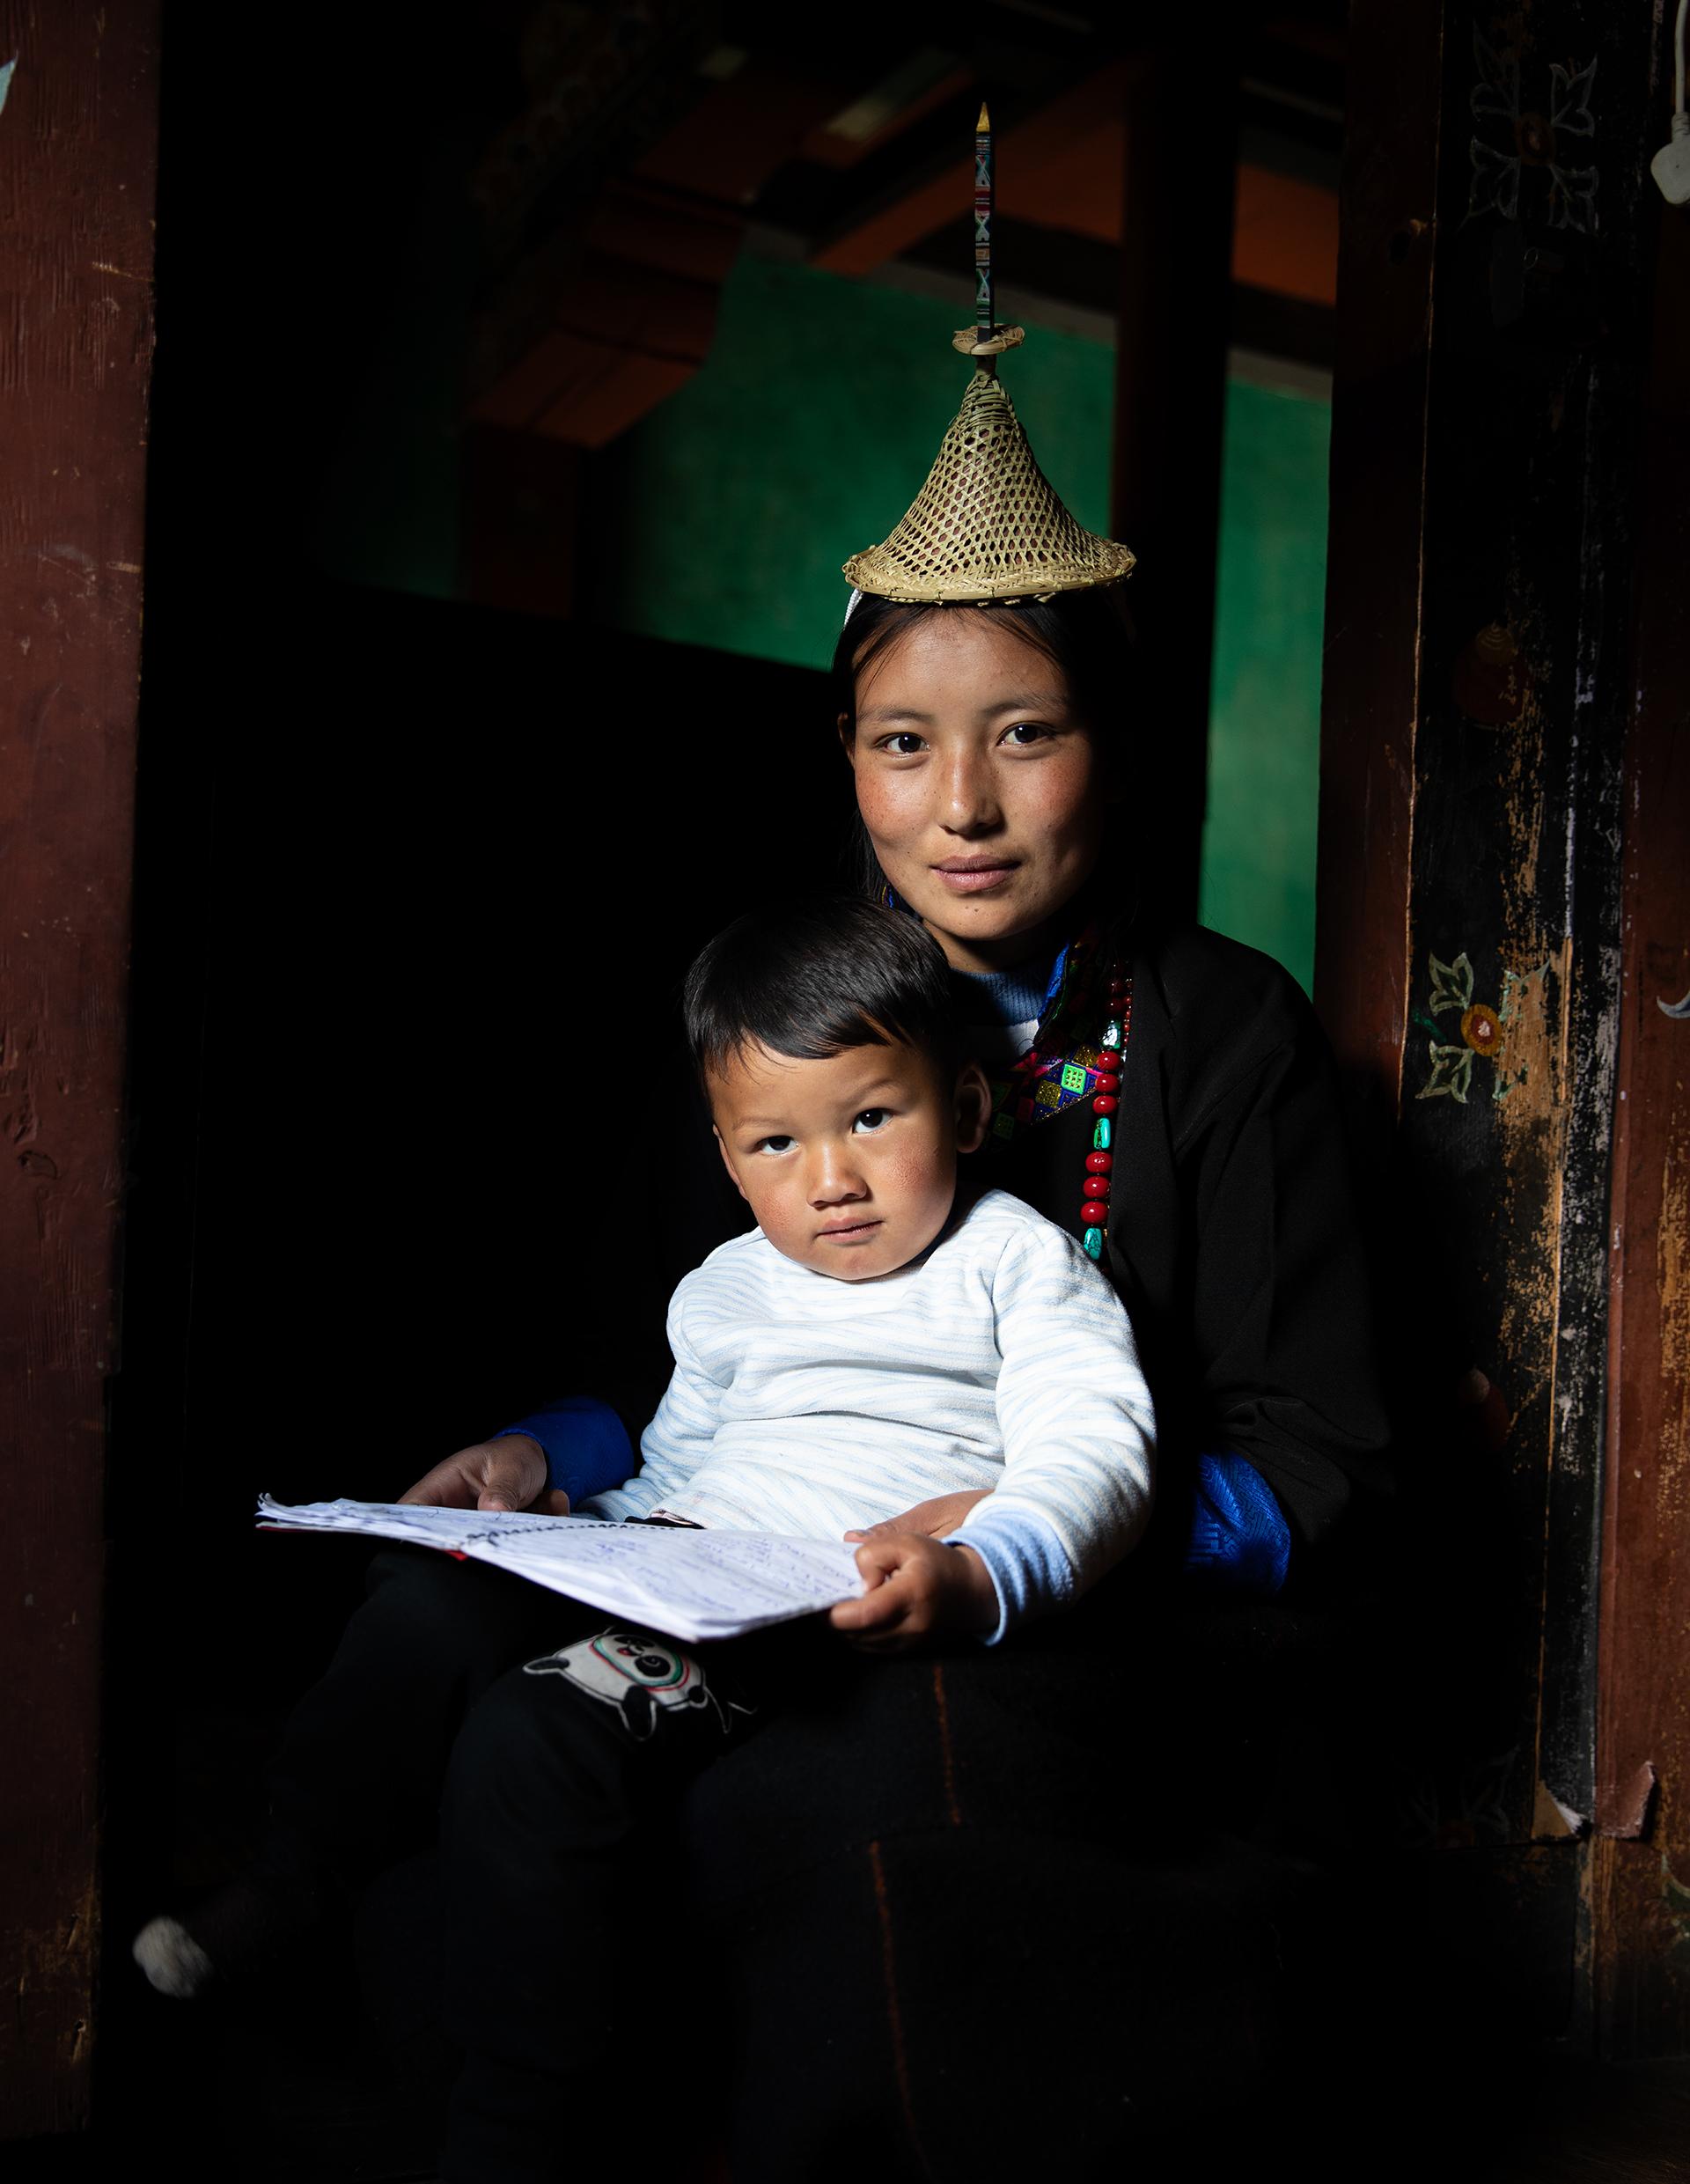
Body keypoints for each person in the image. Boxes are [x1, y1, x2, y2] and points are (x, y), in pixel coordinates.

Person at [417, 339, 1390, 2181]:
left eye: (1027, 731)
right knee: (461, 1664)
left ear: (1114, 743)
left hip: (1092, 1610)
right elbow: (672, 1359)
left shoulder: (1229, 1033)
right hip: (758, 1550)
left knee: (867, 1801)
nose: (963, 806)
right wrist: (551, 1450)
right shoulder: (779, 1016)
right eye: (901, 742)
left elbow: (1326, 1457)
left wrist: (1025, 1529)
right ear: (847, 763)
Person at [132, 899, 1156, 2026]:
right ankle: (298, 1879)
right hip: (677, 1561)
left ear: (962, 1106)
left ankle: (523, 2118)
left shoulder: (1018, 1263)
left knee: (540, 1735)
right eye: (777, 1142)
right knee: (426, 1606)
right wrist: (570, 1532)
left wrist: (984, 1567)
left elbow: (1096, 1446)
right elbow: (679, 1466)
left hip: (809, 1610)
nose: (832, 1179)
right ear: (726, 1156)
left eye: (871, 1118)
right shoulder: (725, 1288)